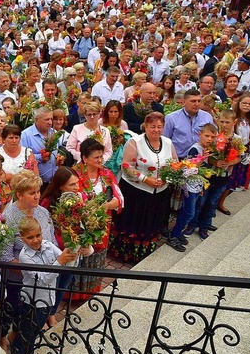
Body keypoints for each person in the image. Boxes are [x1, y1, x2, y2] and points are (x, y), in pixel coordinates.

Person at [12, 217, 76, 354]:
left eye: (38, 235)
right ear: (22, 238)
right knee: (26, 334)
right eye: (30, 237)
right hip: (32, 302)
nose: (36, 240)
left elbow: (66, 263)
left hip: (48, 299)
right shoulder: (24, 256)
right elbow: (42, 279)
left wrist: (74, 252)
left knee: (34, 332)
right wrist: (59, 262)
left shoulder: (48, 245)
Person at [113, 112, 178, 262]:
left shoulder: (167, 142)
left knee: (151, 221)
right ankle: (126, 254)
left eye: (160, 126)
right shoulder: (135, 142)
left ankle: (144, 252)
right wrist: (145, 179)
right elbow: (126, 165)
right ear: (146, 126)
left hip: (159, 191)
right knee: (133, 221)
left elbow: (175, 164)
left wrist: (166, 178)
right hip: (136, 191)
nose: (156, 130)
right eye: (152, 126)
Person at [71, 138, 122, 298]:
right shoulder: (73, 174)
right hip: (79, 223)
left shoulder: (106, 174)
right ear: (84, 158)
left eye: (101, 156)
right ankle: (72, 293)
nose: (100, 160)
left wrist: (106, 206)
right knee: (79, 255)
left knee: (97, 256)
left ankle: (89, 292)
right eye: (96, 157)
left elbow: (118, 198)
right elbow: (69, 198)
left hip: (102, 225)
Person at [183, 110, 241, 240]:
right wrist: (216, 161)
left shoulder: (236, 139)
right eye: (222, 121)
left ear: (234, 122)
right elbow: (206, 156)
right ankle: (193, 224)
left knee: (212, 202)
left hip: (223, 176)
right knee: (200, 202)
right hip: (208, 176)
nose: (224, 125)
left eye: (227, 122)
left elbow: (239, 157)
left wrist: (229, 162)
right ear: (217, 121)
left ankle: (205, 226)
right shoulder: (213, 136)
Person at [168, 123, 218, 251]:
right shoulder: (195, 149)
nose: (209, 139)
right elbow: (189, 167)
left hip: (197, 185)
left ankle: (178, 233)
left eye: (212, 137)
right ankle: (174, 235)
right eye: (207, 136)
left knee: (189, 211)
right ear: (199, 135)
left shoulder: (205, 149)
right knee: (189, 212)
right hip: (189, 186)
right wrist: (202, 158)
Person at [163, 89, 215, 158]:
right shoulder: (171, 118)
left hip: (202, 159)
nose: (197, 104)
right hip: (179, 160)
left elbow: (213, 137)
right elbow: (165, 140)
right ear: (184, 102)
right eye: (193, 101)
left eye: (199, 101)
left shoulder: (207, 117)